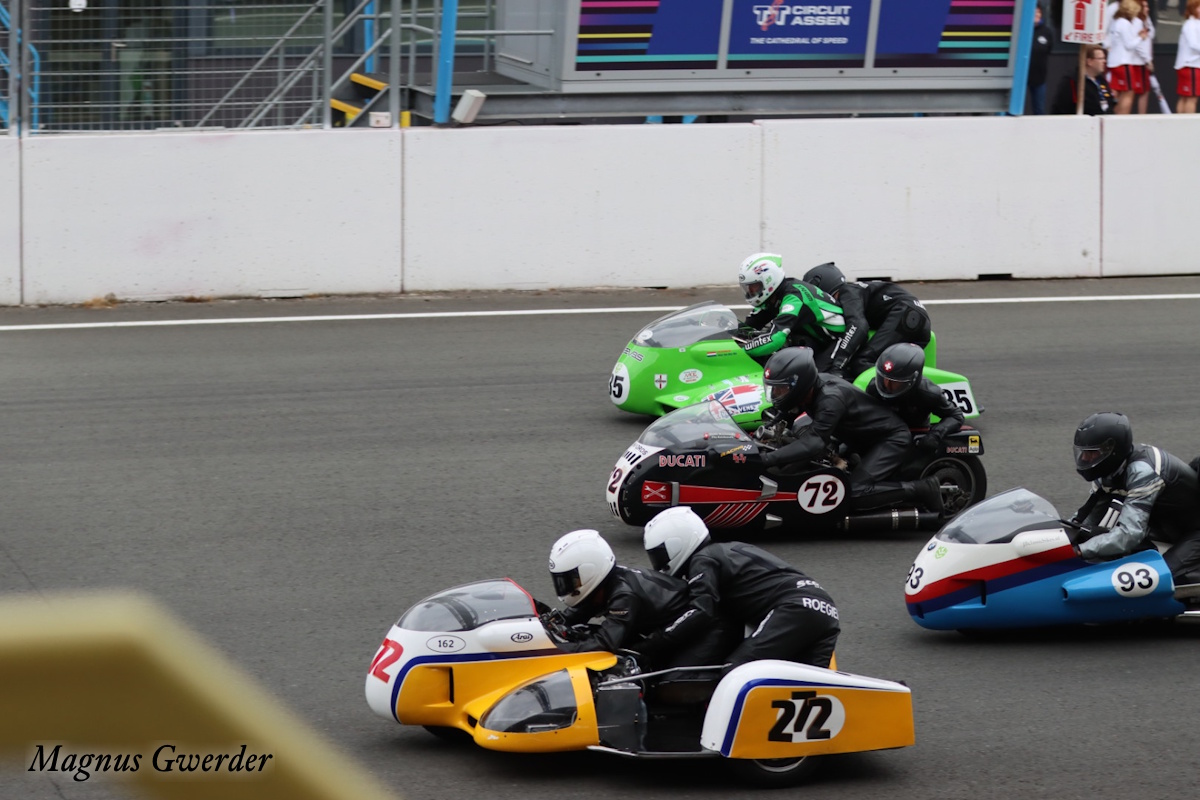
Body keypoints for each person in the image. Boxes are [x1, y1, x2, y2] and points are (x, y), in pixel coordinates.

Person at [742, 346, 942, 513]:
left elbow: (813, 443)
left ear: (799, 384)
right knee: (801, 438)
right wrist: (755, 441)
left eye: (781, 389)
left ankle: (923, 489)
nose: (777, 394)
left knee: (853, 492)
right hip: (858, 438)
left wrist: (766, 460)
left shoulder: (830, 398)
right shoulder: (808, 390)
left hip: (889, 440)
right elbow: (785, 414)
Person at [640, 506, 839, 672]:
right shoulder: (729, 549)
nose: (658, 563)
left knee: (736, 673)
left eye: (658, 555)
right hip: (826, 609)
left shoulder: (703, 559)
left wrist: (651, 643)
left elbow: (701, 610)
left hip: (795, 607)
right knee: (810, 689)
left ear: (677, 543)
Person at [546, 529, 737, 666]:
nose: (566, 586)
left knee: (669, 683)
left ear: (590, 572)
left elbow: (605, 644)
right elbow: (573, 615)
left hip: (706, 630)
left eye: (570, 580)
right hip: (670, 631)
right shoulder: (603, 585)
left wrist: (554, 651)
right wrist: (545, 625)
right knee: (585, 633)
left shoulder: (623, 595)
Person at [1070, 412, 1200, 585]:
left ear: (1112, 450)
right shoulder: (1108, 472)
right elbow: (1086, 519)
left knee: (1155, 578)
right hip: (1165, 527)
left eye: (1092, 453)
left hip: (1194, 532)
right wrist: (1061, 541)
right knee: (1105, 548)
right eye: (1083, 452)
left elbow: (1130, 534)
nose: (1085, 458)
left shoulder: (1142, 471)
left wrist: (1080, 551)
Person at [801, 262, 932, 381]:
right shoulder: (858, 290)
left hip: (907, 315)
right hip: (913, 319)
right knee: (884, 365)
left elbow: (858, 326)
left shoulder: (847, 291)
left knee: (861, 362)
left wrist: (838, 365)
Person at [736, 253, 847, 366]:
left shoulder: (793, 297)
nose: (750, 292)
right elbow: (746, 327)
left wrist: (740, 353)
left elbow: (775, 338)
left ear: (768, 280)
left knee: (809, 374)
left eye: (754, 287)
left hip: (839, 339)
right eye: (748, 288)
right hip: (815, 339)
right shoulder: (772, 297)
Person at [865, 343, 964, 452]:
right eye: (884, 379)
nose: (887, 385)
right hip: (886, 435)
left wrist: (934, 435)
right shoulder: (874, 388)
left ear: (912, 381)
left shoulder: (929, 393)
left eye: (894, 382)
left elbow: (956, 415)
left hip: (914, 438)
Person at [1108, 0, 1153, 114]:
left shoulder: (1116, 22)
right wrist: (1140, 37)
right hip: (1124, 63)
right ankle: (1123, 116)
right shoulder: (1125, 23)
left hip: (1113, 62)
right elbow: (1129, 45)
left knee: (1116, 92)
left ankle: (1115, 115)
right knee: (1129, 92)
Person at [1051, 46, 1116, 114]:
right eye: (1100, 59)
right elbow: (1061, 106)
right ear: (1089, 61)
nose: (1104, 61)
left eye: (1104, 58)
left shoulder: (1102, 80)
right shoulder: (1072, 80)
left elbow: (1109, 103)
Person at [1028, 3, 1056, 115]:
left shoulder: (1046, 31)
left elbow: (1049, 49)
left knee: (1039, 109)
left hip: (1039, 78)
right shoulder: (1022, 30)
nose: (1037, 14)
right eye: (1034, 12)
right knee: (1013, 108)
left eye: (1039, 12)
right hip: (1021, 77)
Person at [1175, 0, 1200, 113]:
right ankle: (1188, 123)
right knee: (1191, 99)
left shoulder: (1194, 23)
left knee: (1185, 97)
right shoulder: (1190, 24)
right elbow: (1193, 44)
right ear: (1193, 9)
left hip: (1189, 65)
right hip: (1190, 66)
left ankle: (1181, 122)